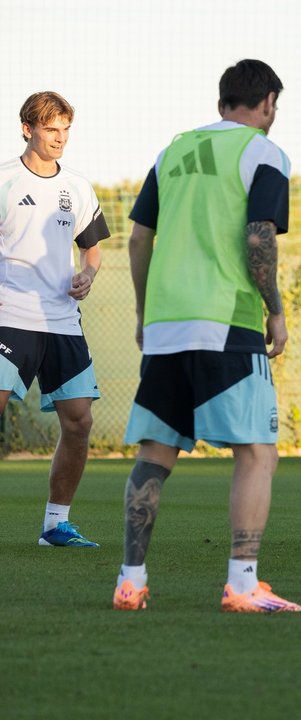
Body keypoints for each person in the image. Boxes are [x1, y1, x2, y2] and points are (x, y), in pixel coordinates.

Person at [112, 59, 301, 612]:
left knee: (155, 453)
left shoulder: (170, 152)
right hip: (227, 319)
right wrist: (275, 311)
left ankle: (130, 581)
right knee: (257, 453)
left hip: (166, 323)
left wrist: (145, 313)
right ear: (268, 103)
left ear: (221, 103)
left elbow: (138, 240)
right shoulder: (265, 152)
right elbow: (259, 236)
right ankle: (242, 585)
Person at [0, 91, 110, 547]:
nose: (60, 138)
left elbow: (92, 249)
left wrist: (88, 275)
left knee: (79, 421)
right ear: (27, 129)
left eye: (65, 129)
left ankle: (55, 525)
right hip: (9, 315)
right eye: (51, 129)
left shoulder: (78, 187)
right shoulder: (5, 180)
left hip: (62, 321)